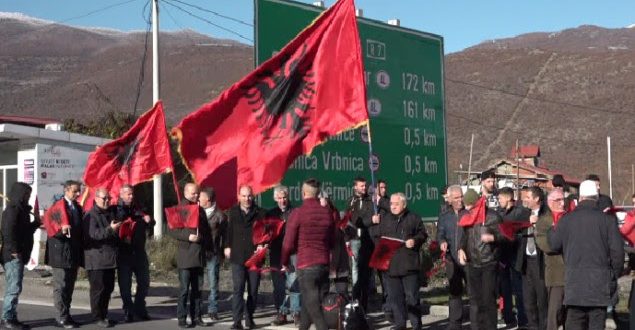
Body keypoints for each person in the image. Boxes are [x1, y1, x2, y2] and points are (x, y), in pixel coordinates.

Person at [548, 180, 624, 330]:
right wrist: (613, 274)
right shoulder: (608, 221)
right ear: (596, 197)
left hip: (574, 284)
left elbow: (554, 245)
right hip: (600, 284)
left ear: (580, 198)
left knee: (574, 323)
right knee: (596, 324)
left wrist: (552, 230)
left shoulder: (567, 220)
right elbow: (618, 253)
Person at [281, 179, 334, 330]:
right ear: (318, 194)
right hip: (323, 264)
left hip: (306, 264)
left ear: (303, 193)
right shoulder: (327, 213)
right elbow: (332, 240)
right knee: (309, 305)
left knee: (315, 309)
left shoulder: (298, 213)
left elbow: (288, 243)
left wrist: (284, 262)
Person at [372, 192, 427, 330]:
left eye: (396, 204)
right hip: (391, 266)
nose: (393, 206)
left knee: (412, 299)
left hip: (409, 265)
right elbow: (377, 236)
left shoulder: (413, 218)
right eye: (391, 204)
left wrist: (415, 241)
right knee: (395, 299)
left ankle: (416, 325)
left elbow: (422, 234)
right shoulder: (385, 219)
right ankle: (400, 324)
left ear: (404, 204)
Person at [458, 189, 503, 330]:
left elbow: (506, 236)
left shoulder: (492, 216)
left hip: (488, 262)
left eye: (468, 205)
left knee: (488, 299)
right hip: (473, 263)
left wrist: (493, 238)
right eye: (465, 205)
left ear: (475, 203)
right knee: (475, 299)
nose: (466, 208)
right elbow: (464, 237)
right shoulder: (468, 217)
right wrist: (460, 249)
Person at [169, 183, 212, 328]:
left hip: (199, 255)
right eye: (194, 193)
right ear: (186, 192)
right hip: (186, 255)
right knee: (184, 290)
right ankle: (182, 318)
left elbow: (206, 231)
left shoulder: (200, 210)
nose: (196, 196)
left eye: (197, 193)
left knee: (198, 290)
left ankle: (197, 317)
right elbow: (172, 231)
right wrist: (188, 237)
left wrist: (208, 246)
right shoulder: (179, 209)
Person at [224, 185, 266, 330]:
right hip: (237, 256)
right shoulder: (233, 212)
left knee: (253, 290)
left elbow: (266, 233)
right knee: (238, 289)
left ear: (253, 196)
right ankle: (236, 321)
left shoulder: (260, 213)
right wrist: (227, 246)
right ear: (238, 197)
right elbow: (228, 231)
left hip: (254, 257)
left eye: (249, 196)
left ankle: (249, 318)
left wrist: (263, 245)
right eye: (244, 196)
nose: (247, 199)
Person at [0, 182, 40, 330]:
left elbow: (24, 232)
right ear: (19, 194)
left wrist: (36, 223)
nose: (27, 198)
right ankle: (7, 318)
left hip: (19, 253)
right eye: (25, 195)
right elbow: (7, 232)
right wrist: (14, 250)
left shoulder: (21, 211)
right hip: (12, 255)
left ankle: (12, 316)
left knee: (15, 287)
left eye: (29, 195)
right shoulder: (12, 211)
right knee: (13, 287)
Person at [45, 180, 84, 329]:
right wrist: (61, 230)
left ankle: (67, 315)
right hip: (60, 253)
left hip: (73, 252)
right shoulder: (57, 208)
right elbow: (51, 229)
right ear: (66, 191)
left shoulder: (77, 208)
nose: (78, 194)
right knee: (61, 286)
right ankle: (60, 317)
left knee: (69, 287)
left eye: (79, 191)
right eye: (75, 191)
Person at [114, 184, 154, 322]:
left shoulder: (139, 208)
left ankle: (139, 307)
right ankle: (128, 310)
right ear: (121, 194)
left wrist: (149, 221)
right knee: (125, 286)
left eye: (132, 194)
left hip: (139, 251)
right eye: (128, 194)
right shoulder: (115, 209)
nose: (131, 196)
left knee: (144, 282)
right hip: (124, 252)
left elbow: (150, 222)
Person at [84, 188, 120, 328]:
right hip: (96, 259)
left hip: (109, 259)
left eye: (108, 198)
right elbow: (93, 234)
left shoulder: (109, 213)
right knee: (98, 289)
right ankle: (97, 316)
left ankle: (104, 315)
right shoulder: (91, 215)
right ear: (96, 198)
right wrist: (111, 230)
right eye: (104, 198)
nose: (107, 201)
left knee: (108, 288)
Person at [267, 185, 300, 326]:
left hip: (292, 253)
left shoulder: (296, 212)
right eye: (279, 198)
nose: (282, 200)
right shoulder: (271, 214)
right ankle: (281, 312)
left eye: (284, 197)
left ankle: (296, 312)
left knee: (294, 283)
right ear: (275, 199)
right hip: (276, 253)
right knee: (279, 285)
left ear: (288, 197)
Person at [497, 187, 529, 328]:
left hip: (517, 256)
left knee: (519, 290)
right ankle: (509, 319)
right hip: (503, 257)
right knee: (505, 290)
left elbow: (524, 231)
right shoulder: (499, 214)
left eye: (500, 199)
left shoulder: (521, 213)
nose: (499, 201)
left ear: (508, 198)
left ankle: (523, 319)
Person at [516, 186, 548, 330]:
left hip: (540, 262)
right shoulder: (523, 214)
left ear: (536, 199)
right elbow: (515, 232)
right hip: (526, 261)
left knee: (542, 300)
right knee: (528, 301)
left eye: (528, 197)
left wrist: (536, 223)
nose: (525, 200)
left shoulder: (546, 214)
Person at [436, 185, 468, 330]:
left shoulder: (469, 213)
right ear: (449, 199)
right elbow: (440, 234)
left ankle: (476, 322)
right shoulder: (444, 216)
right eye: (456, 198)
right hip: (451, 259)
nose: (460, 200)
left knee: (473, 291)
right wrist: (442, 242)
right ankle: (455, 324)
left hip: (468, 259)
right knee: (455, 292)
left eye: (461, 196)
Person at [534, 189, 566, 330]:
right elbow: (545, 245)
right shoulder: (544, 222)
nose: (562, 203)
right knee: (555, 312)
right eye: (558, 200)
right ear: (550, 202)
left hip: (573, 273)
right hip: (556, 274)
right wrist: (565, 242)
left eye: (563, 199)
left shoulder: (569, 218)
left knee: (570, 313)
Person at [346, 177, 375, 310]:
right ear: (355, 187)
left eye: (365, 186)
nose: (364, 188)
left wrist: (366, 221)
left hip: (367, 240)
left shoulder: (370, 201)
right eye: (361, 186)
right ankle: (355, 299)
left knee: (365, 272)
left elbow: (370, 218)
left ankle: (364, 301)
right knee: (355, 269)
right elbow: (350, 220)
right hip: (354, 239)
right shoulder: (351, 202)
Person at [199, 186, 226, 322]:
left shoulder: (220, 215)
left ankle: (213, 309)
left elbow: (225, 236)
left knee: (213, 282)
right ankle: (197, 308)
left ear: (207, 199)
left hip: (213, 253)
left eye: (201, 196)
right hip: (198, 252)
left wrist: (223, 252)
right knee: (198, 281)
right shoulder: (197, 212)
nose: (198, 198)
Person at [319, 192, 351, 297]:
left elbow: (340, 230)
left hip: (338, 254)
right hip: (323, 257)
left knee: (342, 288)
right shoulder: (313, 215)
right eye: (321, 199)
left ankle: (343, 308)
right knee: (322, 289)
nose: (324, 201)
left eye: (326, 199)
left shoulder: (335, 212)